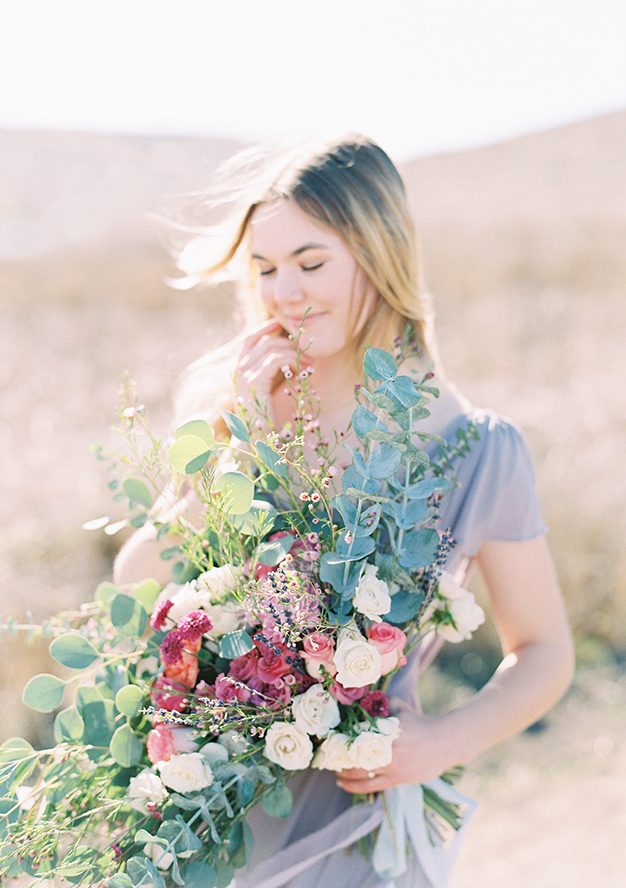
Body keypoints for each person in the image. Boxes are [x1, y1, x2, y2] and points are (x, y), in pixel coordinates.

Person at [113, 135, 574, 887]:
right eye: (264, 269)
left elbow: (546, 650)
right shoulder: (236, 404)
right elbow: (136, 583)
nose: (283, 292)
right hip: (207, 818)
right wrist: (237, 451)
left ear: (379, 253)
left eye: (311, 262)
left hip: (359, 834)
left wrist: (439, 743)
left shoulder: (478, 451)